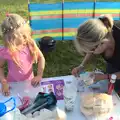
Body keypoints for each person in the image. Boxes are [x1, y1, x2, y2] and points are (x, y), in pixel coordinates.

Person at [72, 14, 120, 94]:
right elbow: (91, 49)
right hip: (114, 63)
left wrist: (105, 77)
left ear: (102, 42)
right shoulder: (100, 29)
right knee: (113, 87)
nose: (90, 52)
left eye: (92, 50)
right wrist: (82, 66)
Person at [0, 13, 45, 96]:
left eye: (27, 35)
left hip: (30, 81)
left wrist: (39, 75)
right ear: (11, 40)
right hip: (12, 83)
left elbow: (41, 58)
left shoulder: (30, 43)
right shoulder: (7, 50)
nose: (26, 38)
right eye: (23, 36)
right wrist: (3, 82)